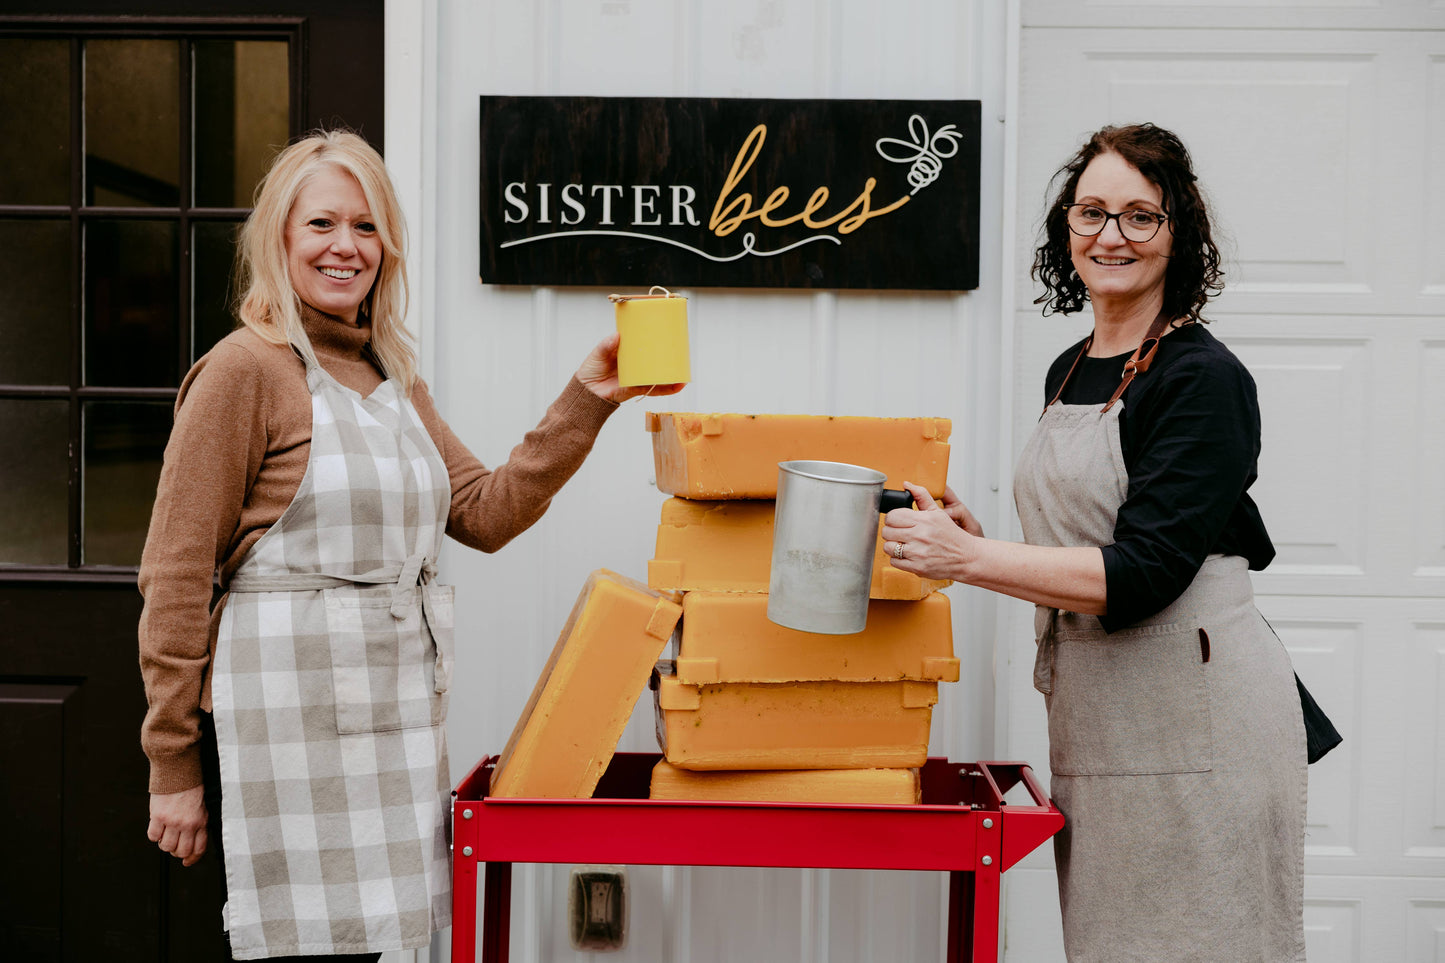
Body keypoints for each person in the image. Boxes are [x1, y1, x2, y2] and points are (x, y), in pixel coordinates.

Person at [138, 129, 682, 961]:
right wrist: (170, 763)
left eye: (365, 227)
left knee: (376, 946)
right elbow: (175, 575)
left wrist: (588, 398)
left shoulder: (390, 374)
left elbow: (484, 511)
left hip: (392, 716)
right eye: (320, 223)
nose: (344, 247)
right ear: (278, 238)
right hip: (287, 721)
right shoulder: (242, 371)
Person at [881, 123, 1305, 961]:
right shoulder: (1071, 368)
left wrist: (967, 560)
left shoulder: (1202, 379)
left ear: (1178, 234)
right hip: (1102, 715)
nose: (1110, 236)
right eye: (1091, 212)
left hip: (1198, 725)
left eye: (1140, 216)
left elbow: (1143, 570)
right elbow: (1085, 546)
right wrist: (974, 541)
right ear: (1064, 229)